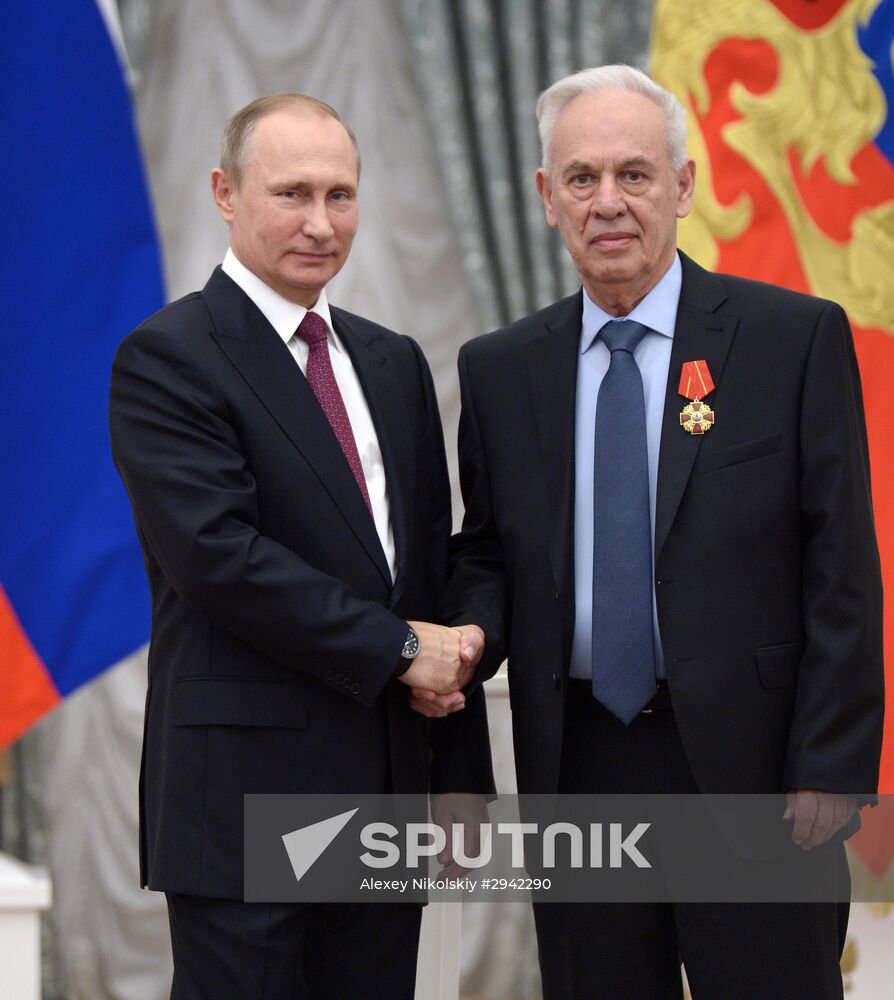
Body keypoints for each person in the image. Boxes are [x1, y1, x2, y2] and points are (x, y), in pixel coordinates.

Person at [430, 65, 884, 998]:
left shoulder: (791, 339)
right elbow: (487, 551)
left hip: (756, 772)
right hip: (581, 765)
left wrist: (831, 763)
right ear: (546, 198)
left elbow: (842, 563)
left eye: (634, 175)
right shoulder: (500, 369)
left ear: (682, 187)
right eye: (583, 178)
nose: (609, 202)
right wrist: (468, 635)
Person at [109, 93, 492, 1000]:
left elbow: (425, 570)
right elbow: (221, 559)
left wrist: (460, 774)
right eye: (292, 194)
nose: (321, 224)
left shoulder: (393, 360)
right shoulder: (168, 357)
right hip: (245, 807)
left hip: (387, 798)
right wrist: (403, 650)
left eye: (341, 195)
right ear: (225, 192)